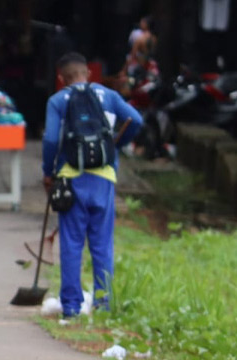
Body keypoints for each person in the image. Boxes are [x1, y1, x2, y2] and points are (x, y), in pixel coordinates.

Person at [42, 52, 141, 317]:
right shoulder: (108, 96)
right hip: (104, 179)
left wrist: (48, 172)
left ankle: (72, 308)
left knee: (72, 244)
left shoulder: (57, 101)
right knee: (102, 244)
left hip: (71, 179)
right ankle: (103, 304)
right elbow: (137, 120)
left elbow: (51, 139)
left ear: (61, 79)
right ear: (89, 73)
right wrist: (113, 145)